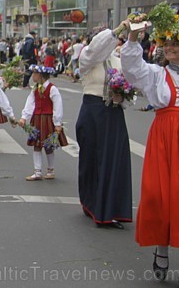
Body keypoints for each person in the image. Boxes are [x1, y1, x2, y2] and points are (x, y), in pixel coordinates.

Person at [120, 16, 179, 288]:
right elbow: (131, 68)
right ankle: (162, 249)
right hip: (165, 140)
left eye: (174, 44)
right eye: (165, 43)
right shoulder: (156, 74)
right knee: (160, 197)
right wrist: (133, 38)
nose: (168, 47)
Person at [75, 27, 132, 230]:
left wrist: (123, 97)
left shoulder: (118, 61)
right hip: (92, 111)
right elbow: (96, 48)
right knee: (91, 159)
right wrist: (116, 30)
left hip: (113, 113)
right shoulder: (87, 58)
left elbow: (129, 87)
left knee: (113, 160)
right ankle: (91, 202)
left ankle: (111, 210)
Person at [19, 65, 64, 181]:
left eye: (35, 73)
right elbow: (30, 103)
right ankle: (37, 171)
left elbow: (57, 105)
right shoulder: (35, 88)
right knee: (37, 145)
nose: (32, 76)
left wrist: (57, 123)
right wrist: (24, 117)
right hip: (37, 119)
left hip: (48, 119)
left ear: (41, 75)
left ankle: (50, 170)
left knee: (49, 145)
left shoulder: (52, 89)